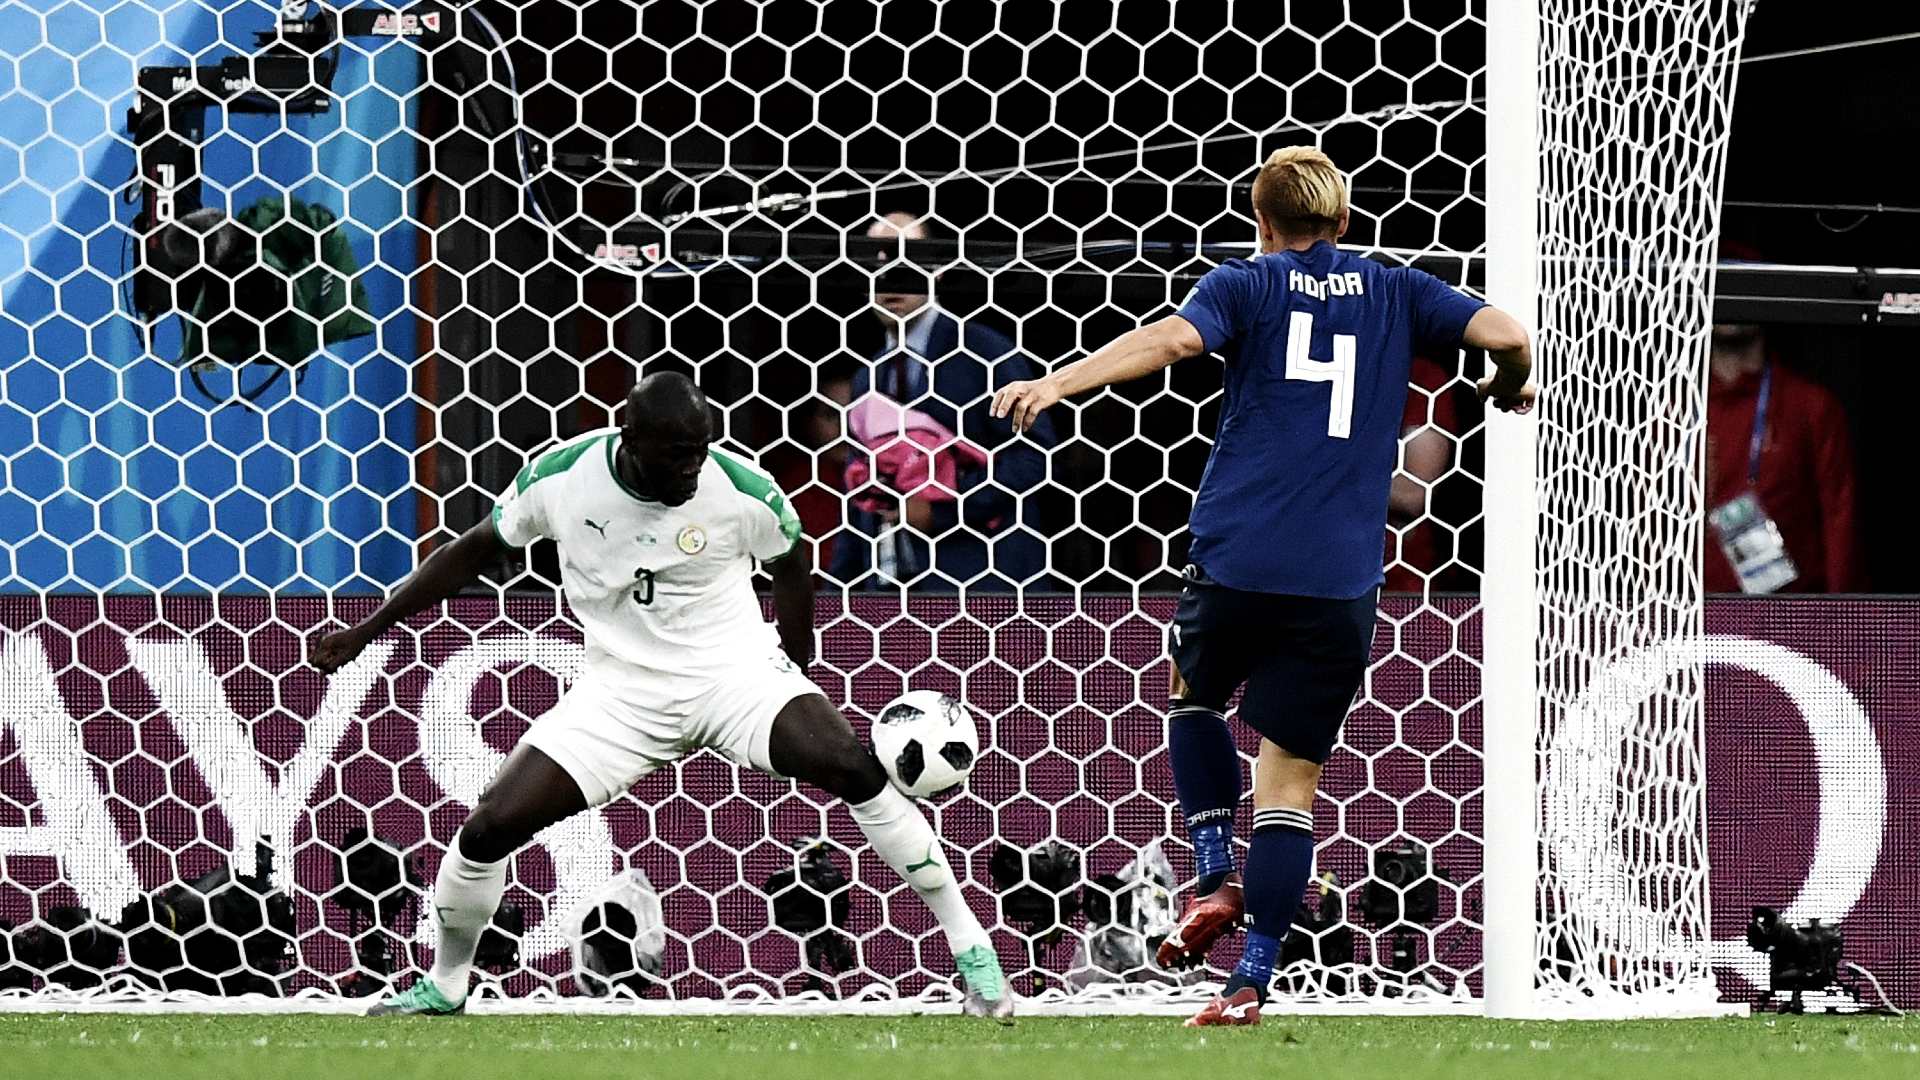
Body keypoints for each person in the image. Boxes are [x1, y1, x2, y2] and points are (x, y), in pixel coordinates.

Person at [992, 146, 1535, 1026]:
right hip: (1339, 578)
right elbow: (1510, 335)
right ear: (1347, 221)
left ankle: (1212, 872)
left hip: (1239, 555)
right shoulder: (1399, 286)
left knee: (1192, 700)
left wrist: (1059, 380)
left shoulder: (1246, 282)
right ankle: (1249, 980)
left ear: (1261, 223)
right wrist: (1506, 388)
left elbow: (1169, 340)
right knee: (1290, 786)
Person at [309, 372, 1012, 1018]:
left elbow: (794, 565)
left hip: (732, 675)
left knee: (856, 771)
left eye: (699, 451)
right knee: (489, 827)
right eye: (675, 454)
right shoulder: (562, 479)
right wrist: (371, 629)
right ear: (630, 438)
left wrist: (794, 668)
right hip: (620, 694)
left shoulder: (741, 489)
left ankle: (974, 955)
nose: (690, 468)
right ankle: (448, 982)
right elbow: (470, 552)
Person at [828, 213, 1057, 590]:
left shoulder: (987, 352)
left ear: (938, 269)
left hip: (986, 586)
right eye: (876, 261)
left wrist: (942, 512)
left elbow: (1035, 457)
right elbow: (858, 494)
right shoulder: (867, 376)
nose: (890, 275)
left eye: (906, 258)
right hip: (890, 589)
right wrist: (837, 595)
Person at [1703, 323, 1859, 593]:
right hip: (1690, 621)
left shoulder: (1811, 407)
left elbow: (1840, 525)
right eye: (1724, 280)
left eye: (1747, 280)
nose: (1736, 292)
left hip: (1788, 622)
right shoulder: (1673, 411)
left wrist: (1844, 626)